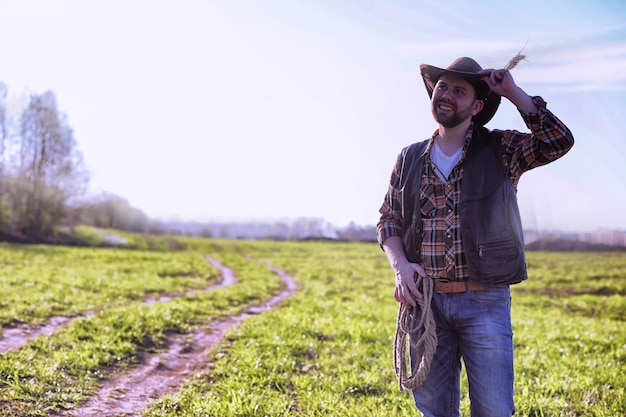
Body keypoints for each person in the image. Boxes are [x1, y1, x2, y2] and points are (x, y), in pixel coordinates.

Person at [376, 56, 574, 417]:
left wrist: (513, 92)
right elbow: (388, 219)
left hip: (485, 302)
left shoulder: (502, 150)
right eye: (442, 87)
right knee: (434, 411)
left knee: (494, 411)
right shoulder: (408, 158)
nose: (447, 95)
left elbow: (558, 141)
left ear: (477, 105)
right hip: (427, 303)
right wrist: (400, 266)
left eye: (459, 90)